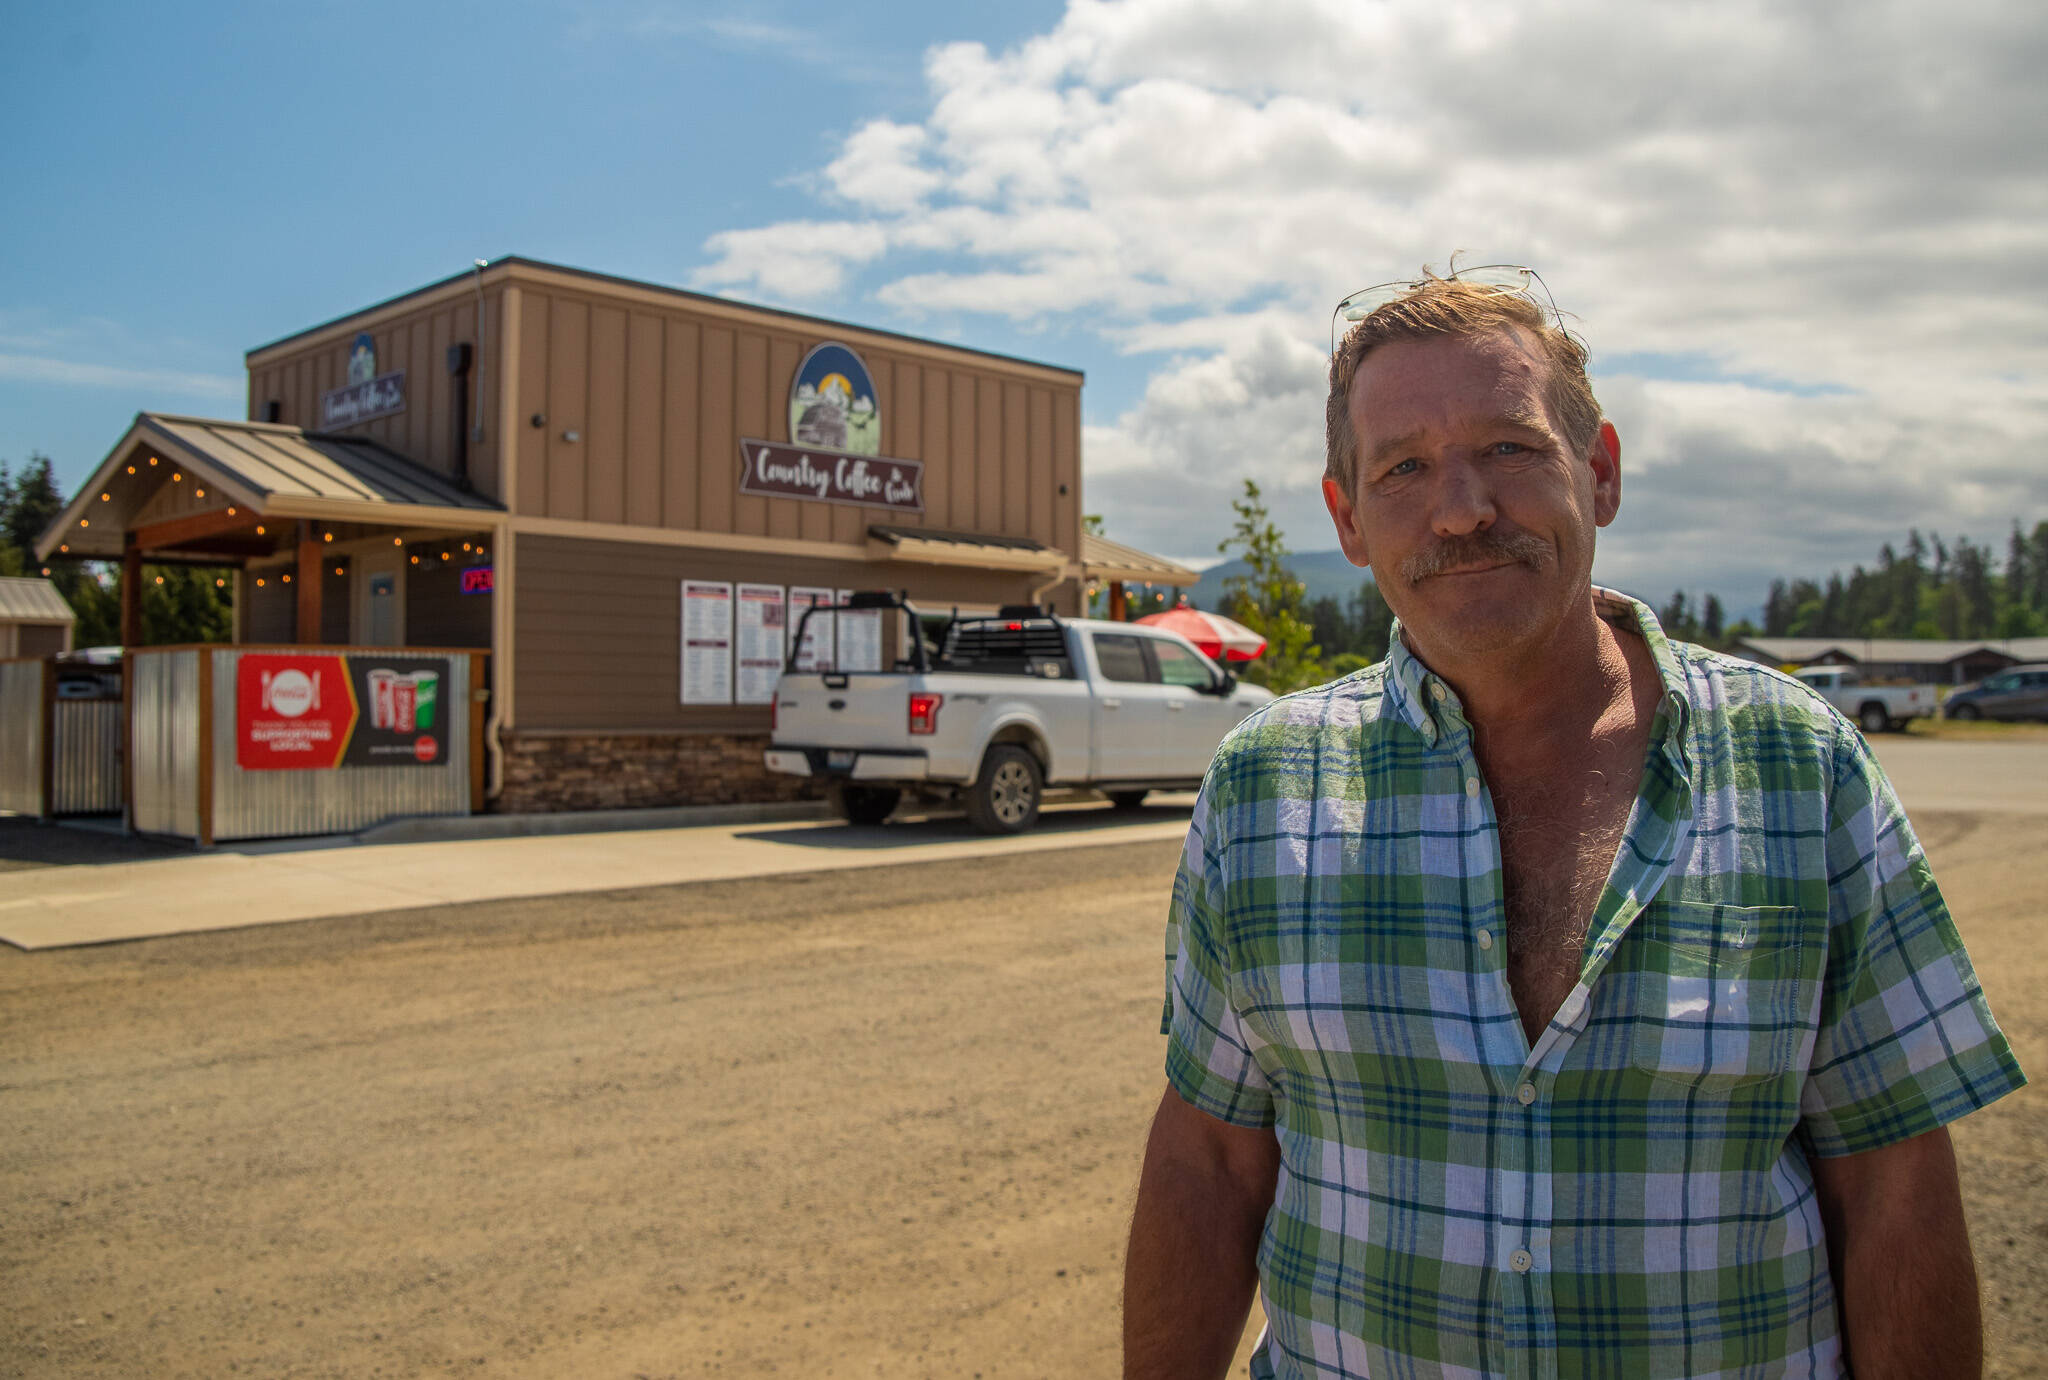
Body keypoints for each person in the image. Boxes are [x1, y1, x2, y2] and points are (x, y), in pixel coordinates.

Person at [1122, 268, 2026, 1380]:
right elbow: (1209, 1157)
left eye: (1509, 448)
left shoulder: (1801, 769)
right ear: (1347, 520)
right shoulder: (1262, 790)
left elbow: (1892, 1184)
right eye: (1402, 467)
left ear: (1596, 474)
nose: (1459, 508)